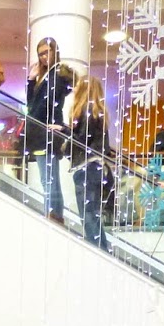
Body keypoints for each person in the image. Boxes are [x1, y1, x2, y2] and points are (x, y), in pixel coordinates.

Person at [25, 36, 72, 220]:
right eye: (40, 54)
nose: (44, 57)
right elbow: (31, 104)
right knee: (49, 181)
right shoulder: (46, 76)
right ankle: (54, 217)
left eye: (47, 52)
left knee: (49, 181)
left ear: (54, 51)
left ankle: (53, 218)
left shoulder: (57, 75)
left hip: (46, 133)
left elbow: (45, 105)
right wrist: (31, 80)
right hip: (40, 133)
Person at [67, 74, 114, 246]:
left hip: (86, 167)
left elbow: (81, 141)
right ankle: (102, 251)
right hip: (97, 168)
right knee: (93, 214)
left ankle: (97, 251)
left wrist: (65, 132)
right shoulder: (98, 113)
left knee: (88, 215)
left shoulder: (86, 112)